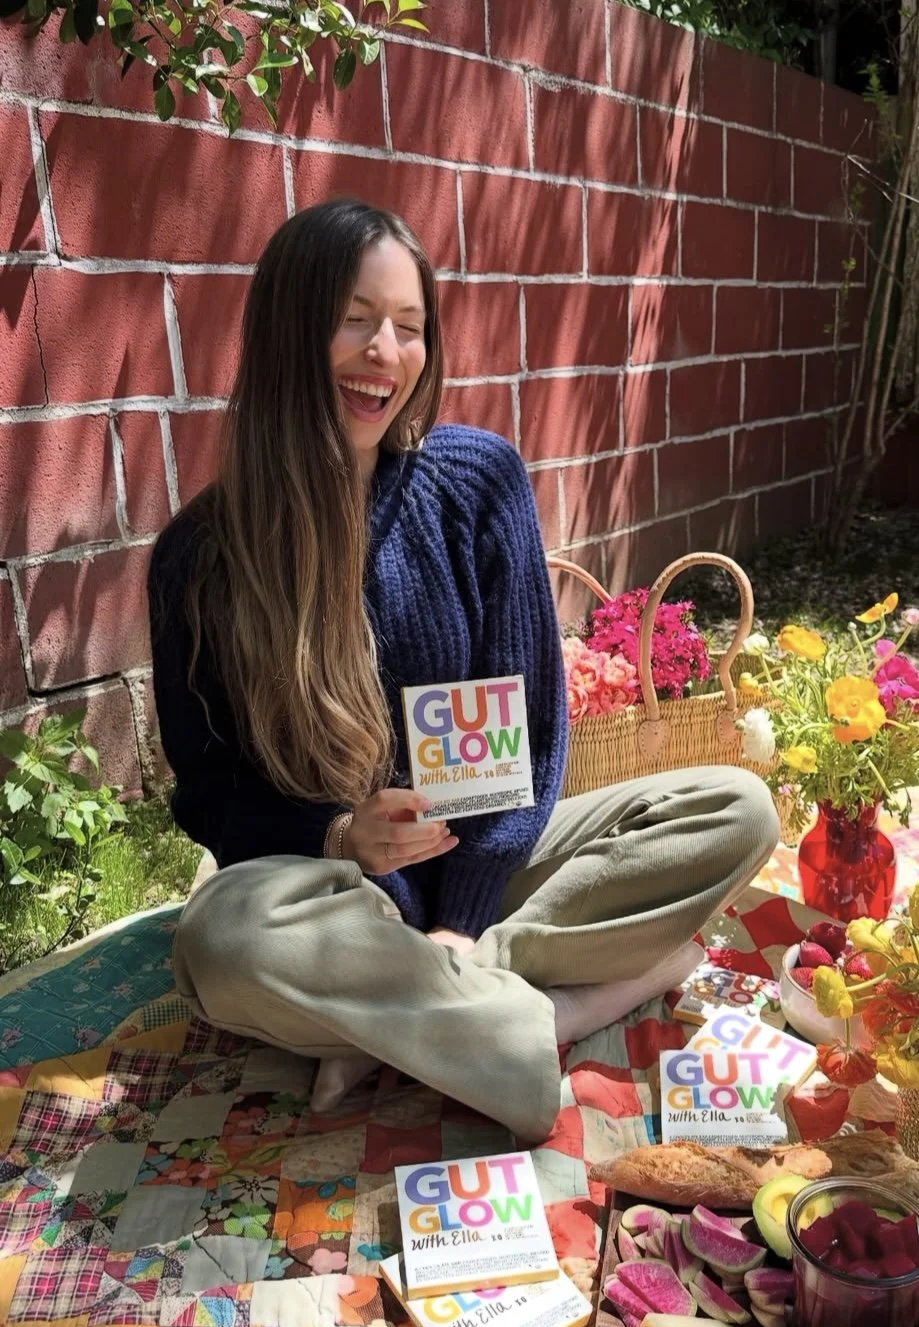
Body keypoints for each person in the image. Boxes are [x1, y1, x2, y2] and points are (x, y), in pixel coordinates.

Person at [149, 198, 780, 1141]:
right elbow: (207, 794)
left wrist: (465, 919)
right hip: (333, 899)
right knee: (220, 940)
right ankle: (558, 1012)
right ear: (290, 331)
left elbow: (525, 726)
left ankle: (419, 1010)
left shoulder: (475, 480)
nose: (385, 354)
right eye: (356, 320)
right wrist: (339, 838)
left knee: (735, 809)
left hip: (494, 873)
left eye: (409, 328)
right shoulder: (200, 555)